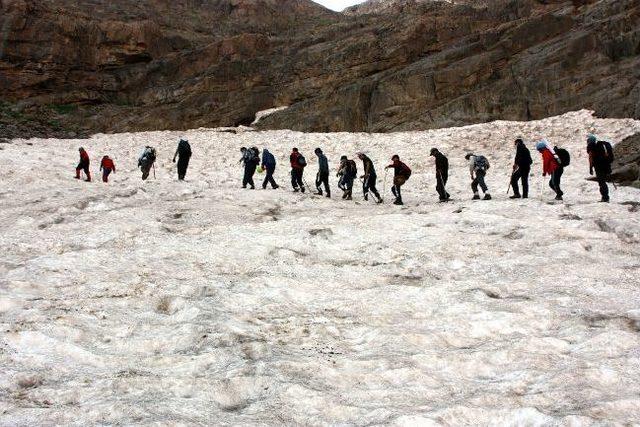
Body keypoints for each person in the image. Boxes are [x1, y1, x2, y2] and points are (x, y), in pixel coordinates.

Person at [587, 134, 614, 203]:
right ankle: (605, 197)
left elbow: (591, 157)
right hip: (606, 165)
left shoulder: (591, 146)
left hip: (598, 166)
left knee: (602, 182)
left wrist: (591, 168)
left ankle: (605, 198)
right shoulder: (603, 145)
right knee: (603, 181)